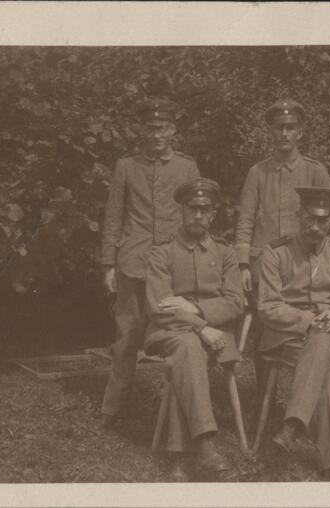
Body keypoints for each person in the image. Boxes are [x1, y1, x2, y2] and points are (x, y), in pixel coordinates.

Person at [99, 98, 201, 427]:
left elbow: (195, 217)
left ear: (172, 130)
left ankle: (180, 412)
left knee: (178, 332)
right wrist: (108, 264)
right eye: (150, 128)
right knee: (127, 336)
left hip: (172, 267)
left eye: (162, 128)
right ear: (142, 131)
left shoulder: (186, 167)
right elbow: (114, 216)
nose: (156, 134)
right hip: (133, 262)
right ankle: (112, 410)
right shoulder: (126, 167)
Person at [234, 98, 330, 392]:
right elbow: (245, 221)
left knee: (305, 329)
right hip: (264, 266)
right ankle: (263, 401)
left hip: (301, 266)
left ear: (300, 133)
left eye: (290, 127)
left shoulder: (314, 171)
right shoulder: (258, 173)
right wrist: (243, 265)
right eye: (279, 127)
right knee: (264, 333)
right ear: (271, 131)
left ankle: (302, 398)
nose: (284, 133)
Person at [256, 186, 330, 481]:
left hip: (327, 330)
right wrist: (306, 319)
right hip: (285, 334)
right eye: (309, 219)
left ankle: (292, 426)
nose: (315, 227)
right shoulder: (275, 253)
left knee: (321, 341)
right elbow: (267, 306)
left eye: (322, 220)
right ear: (297, 216)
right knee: (324, 362)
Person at [144, 178, 245, 481]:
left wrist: (195, 309)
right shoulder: (162, 252)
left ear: (213, 214)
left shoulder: (225, 253)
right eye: (192, 209)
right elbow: (161, 308)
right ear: (182, 211)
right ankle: (204, 444)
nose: (198, 215)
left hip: (216, 336)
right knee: (188, 346)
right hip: (170, 333)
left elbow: (236, 303)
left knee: (185, 358)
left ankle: (178, 457)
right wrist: (201, 327)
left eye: (204, 209)